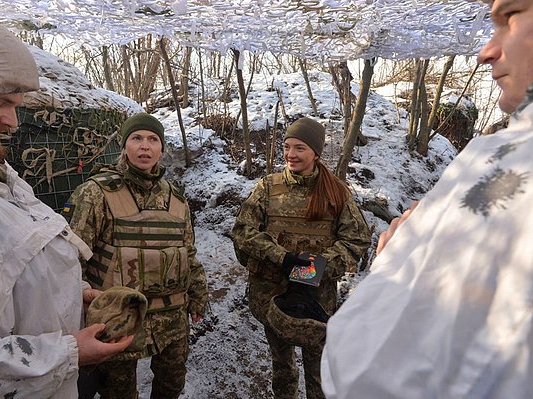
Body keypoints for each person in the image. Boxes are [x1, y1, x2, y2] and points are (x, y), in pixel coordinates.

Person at [321, 0, 533, 398]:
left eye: (511, 18)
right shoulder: (266, 189)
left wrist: (398, 259)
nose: (486, 50)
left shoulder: (505, 166)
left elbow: (370, 375)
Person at [0, 7, 133, 399]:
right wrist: (67, 352)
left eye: (16, 106)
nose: (13, 122)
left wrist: (75, 294)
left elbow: (2, 279)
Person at [63, 112, 209, 399]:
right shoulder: (96, 194)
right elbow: (70, 257)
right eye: (137, 138)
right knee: (118, 393)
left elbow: (187, 251)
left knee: (171, 386)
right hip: (119, 316)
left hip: (172, 315)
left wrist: (198, 292)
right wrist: (81, 304)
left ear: (161, 148)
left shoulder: (177, 199)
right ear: (124, 145)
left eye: (153, 139)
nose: (145, 146)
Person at [232, 117, 371, 399]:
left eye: (300, 148)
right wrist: (282, 258)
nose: (291, 154)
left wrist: (310, 271)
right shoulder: (268, 188)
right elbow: (242, 231)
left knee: (319, 372)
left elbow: (357, 240)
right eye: (287, 147)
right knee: (281, 367)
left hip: (315, 301)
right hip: (273, 297)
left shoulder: (336, 193)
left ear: (316, 153)